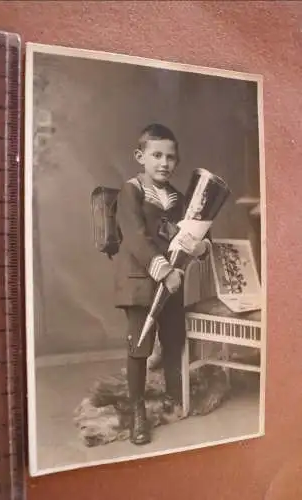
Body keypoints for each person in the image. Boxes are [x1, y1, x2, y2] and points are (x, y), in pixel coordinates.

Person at [114, 123, 207, 445]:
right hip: (142, 281)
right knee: (139, 345)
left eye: (171, 157)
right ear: (141, 157)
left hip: (172, 283)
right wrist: (165, 271)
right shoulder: (131, 191)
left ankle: (172, 393)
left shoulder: (180, 198)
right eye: (156, 155)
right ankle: (137, 410)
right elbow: (136, 238)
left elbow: (197, 233)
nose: (164, 163)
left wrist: (200, 246)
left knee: (173, 338)